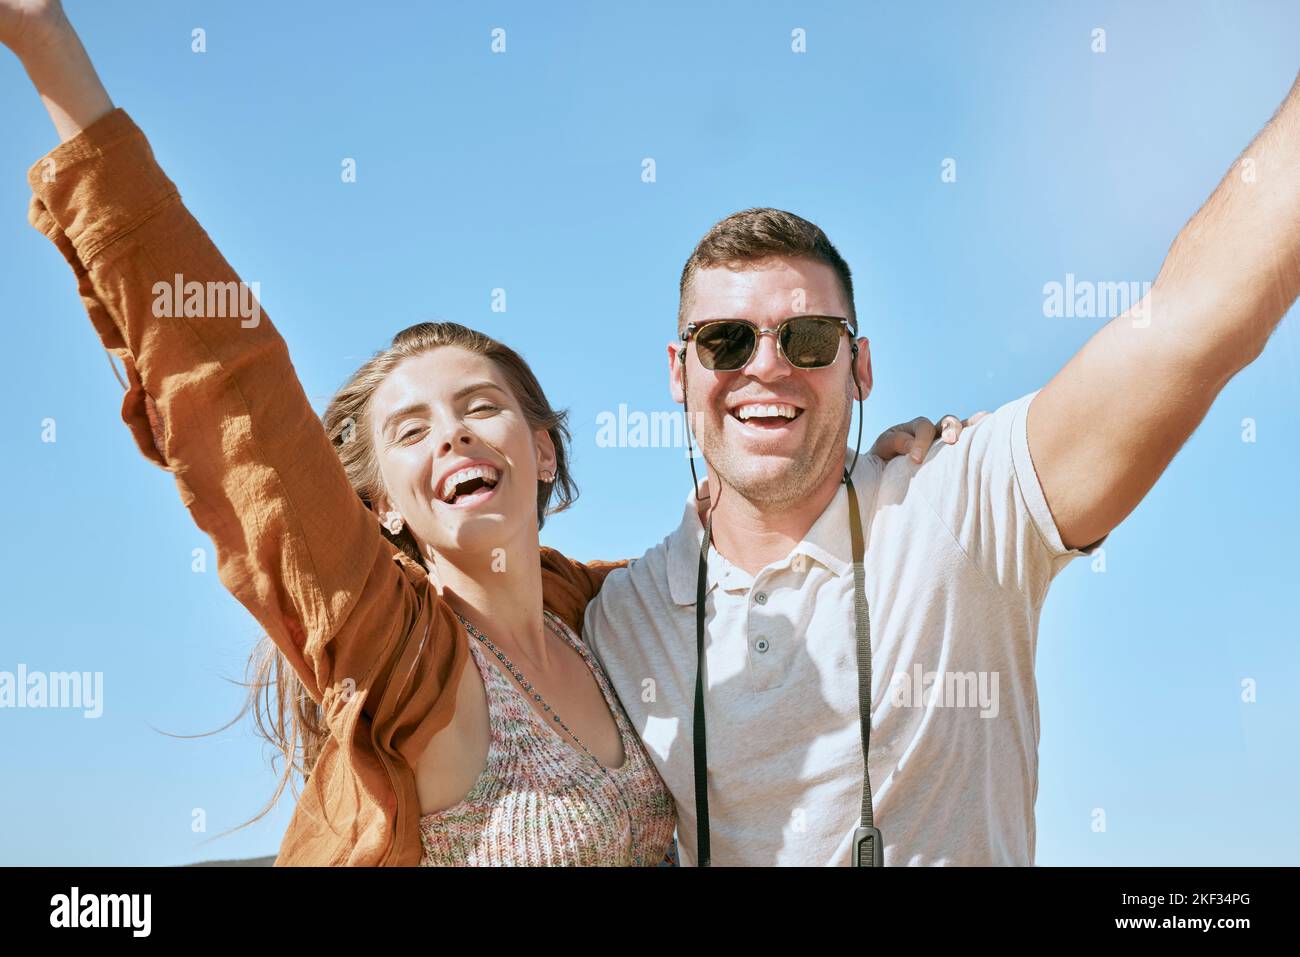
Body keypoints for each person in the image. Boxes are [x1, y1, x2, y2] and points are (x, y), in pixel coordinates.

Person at [1, 0, 973, 866]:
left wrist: (874, 467)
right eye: (412, 430)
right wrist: (49, 48)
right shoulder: (399, 649)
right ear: (377, 502)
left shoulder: (606, 618)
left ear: (541, 448)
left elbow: (748, 535)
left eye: (479, 407)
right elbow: (231, 392)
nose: (454, 439)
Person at [584, 69, 1300, 864]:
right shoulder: (616, 616)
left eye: (809, 339)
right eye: (726, 340)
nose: (768, 368)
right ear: (678, 371)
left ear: (860, 368)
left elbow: (1196, 320)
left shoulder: (960, 502)